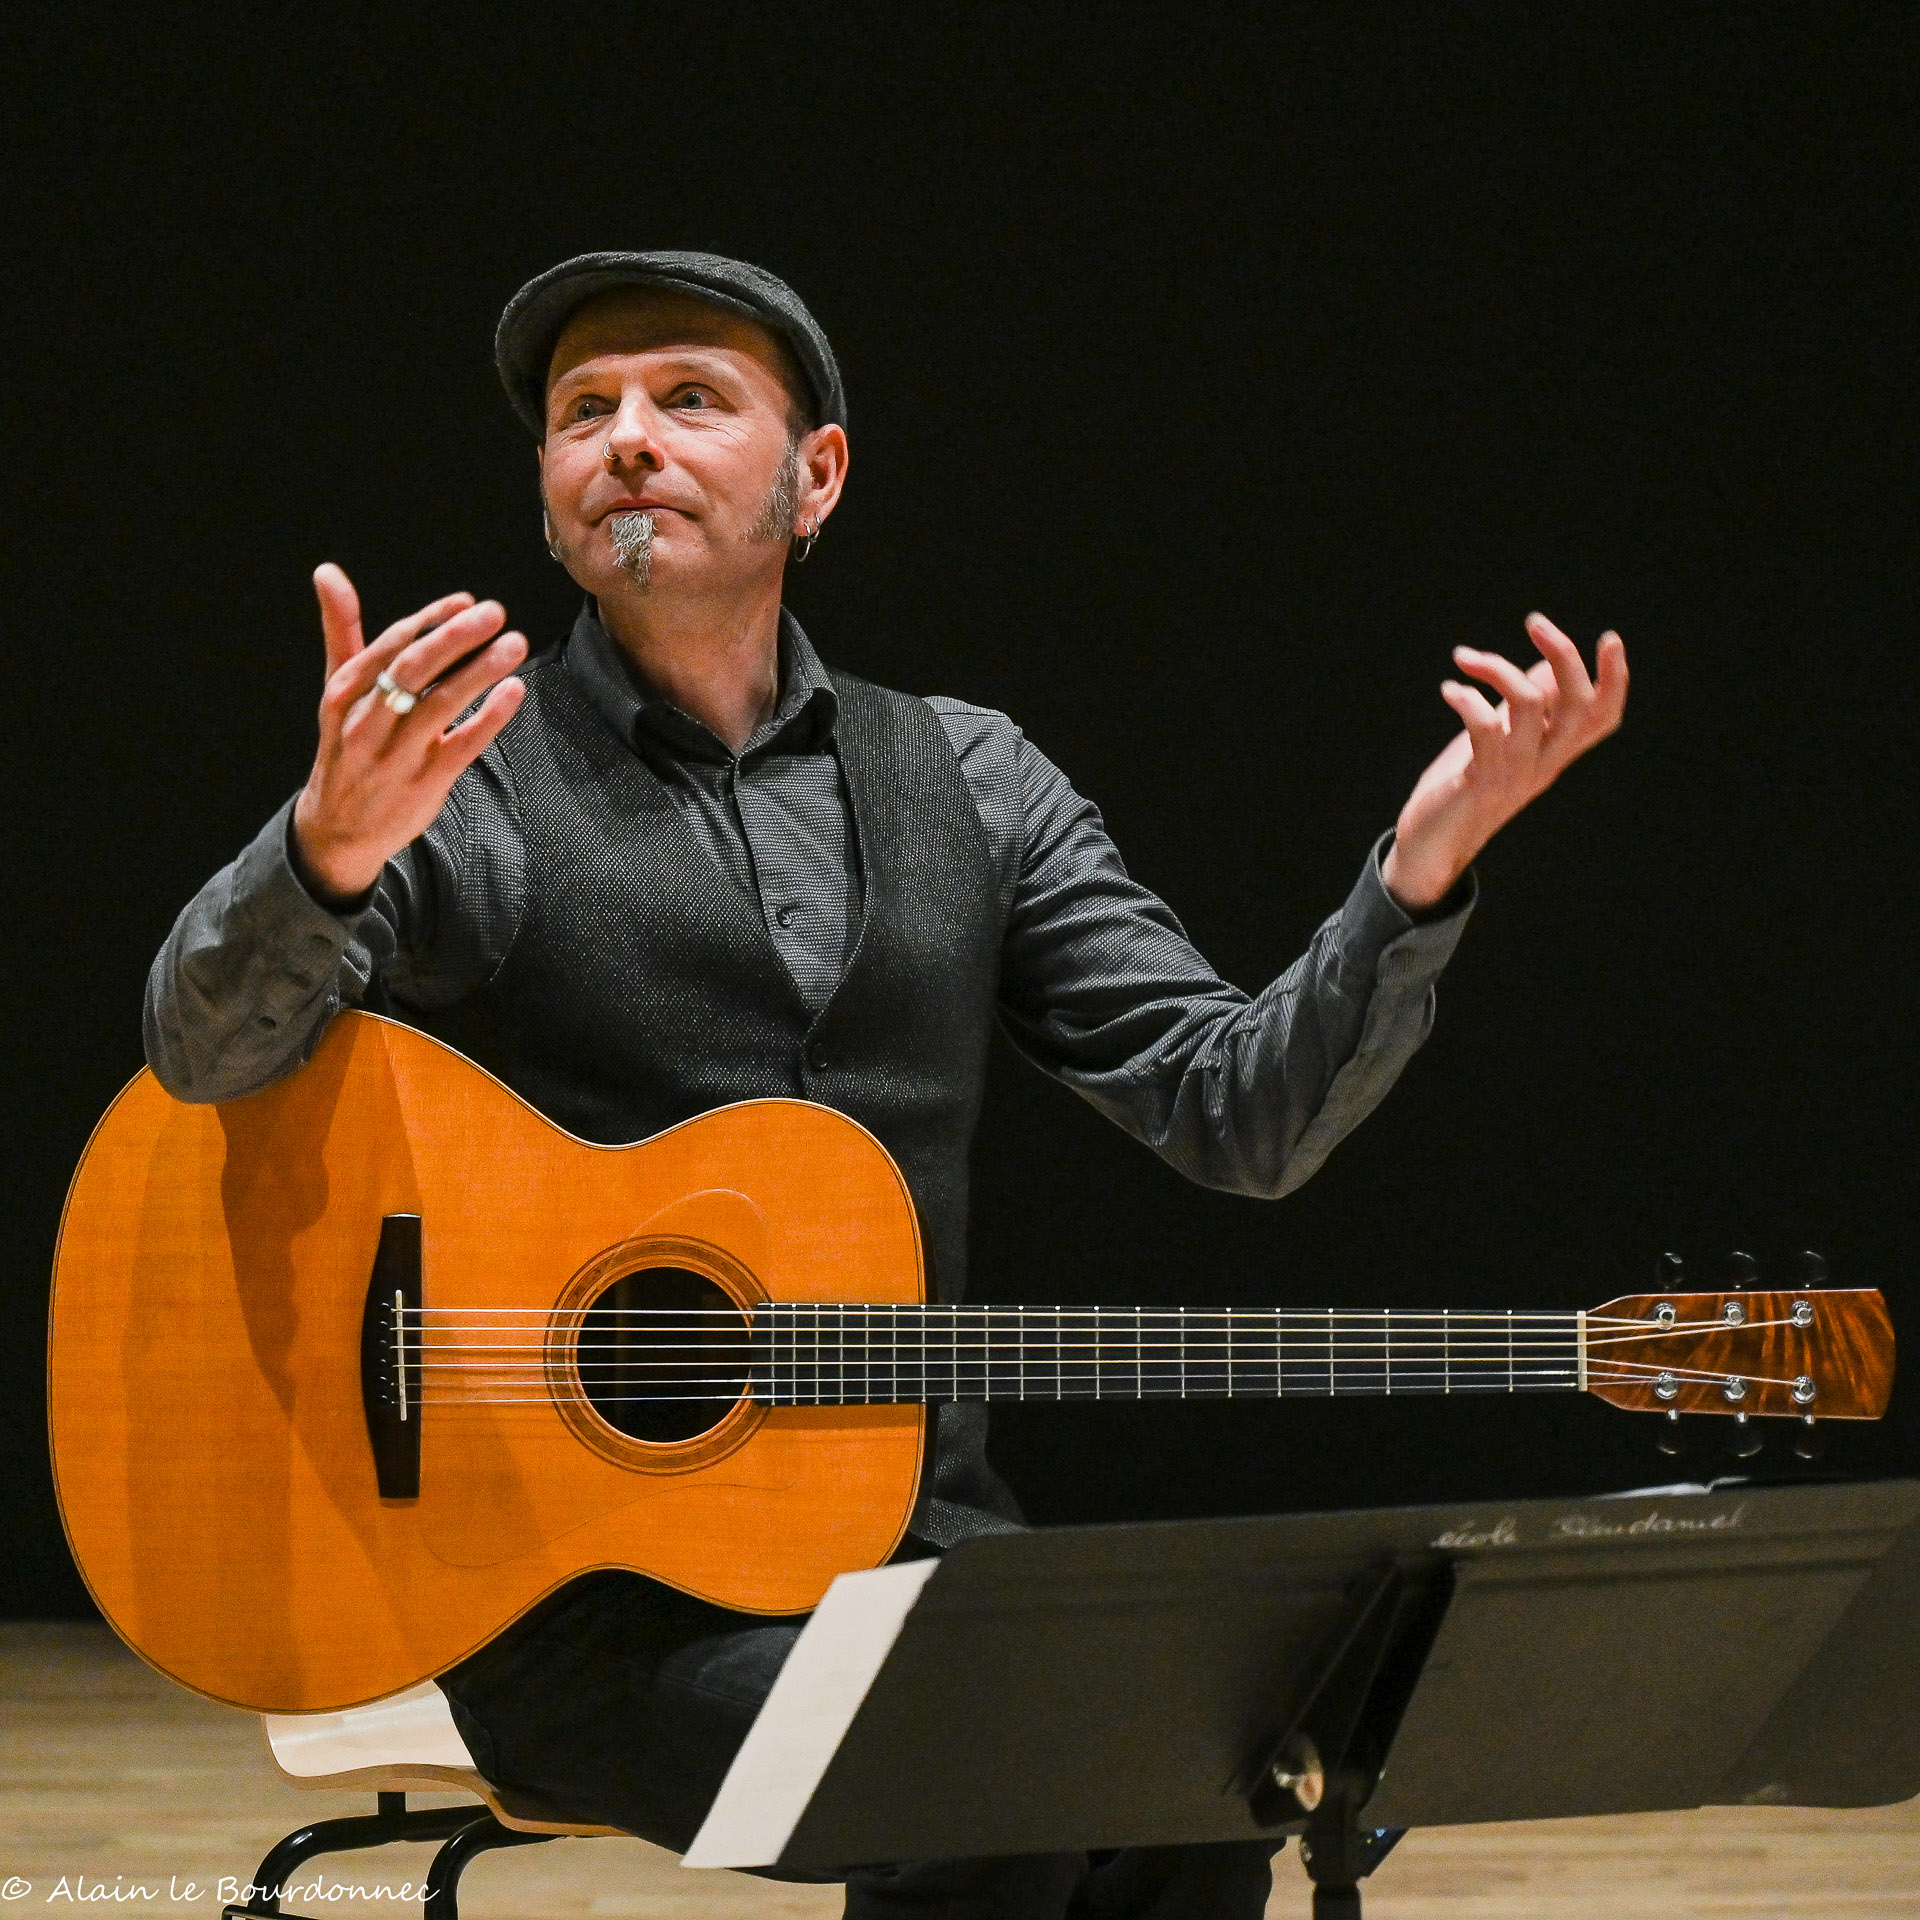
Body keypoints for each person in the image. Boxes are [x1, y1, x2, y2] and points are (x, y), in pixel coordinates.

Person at [145, 250, 1627, 1918]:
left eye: (688, 399)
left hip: (918, 1559)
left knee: (1203, 1766)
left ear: (818, 477)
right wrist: (322, 857)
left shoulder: (972, 780)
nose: (626, 439)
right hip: (569, 1596)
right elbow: (204, 1055)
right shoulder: (462, 780)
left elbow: (1241, 1117)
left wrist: (1415, 878)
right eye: (582, 413)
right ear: (548, 488)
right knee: (981, 1776)